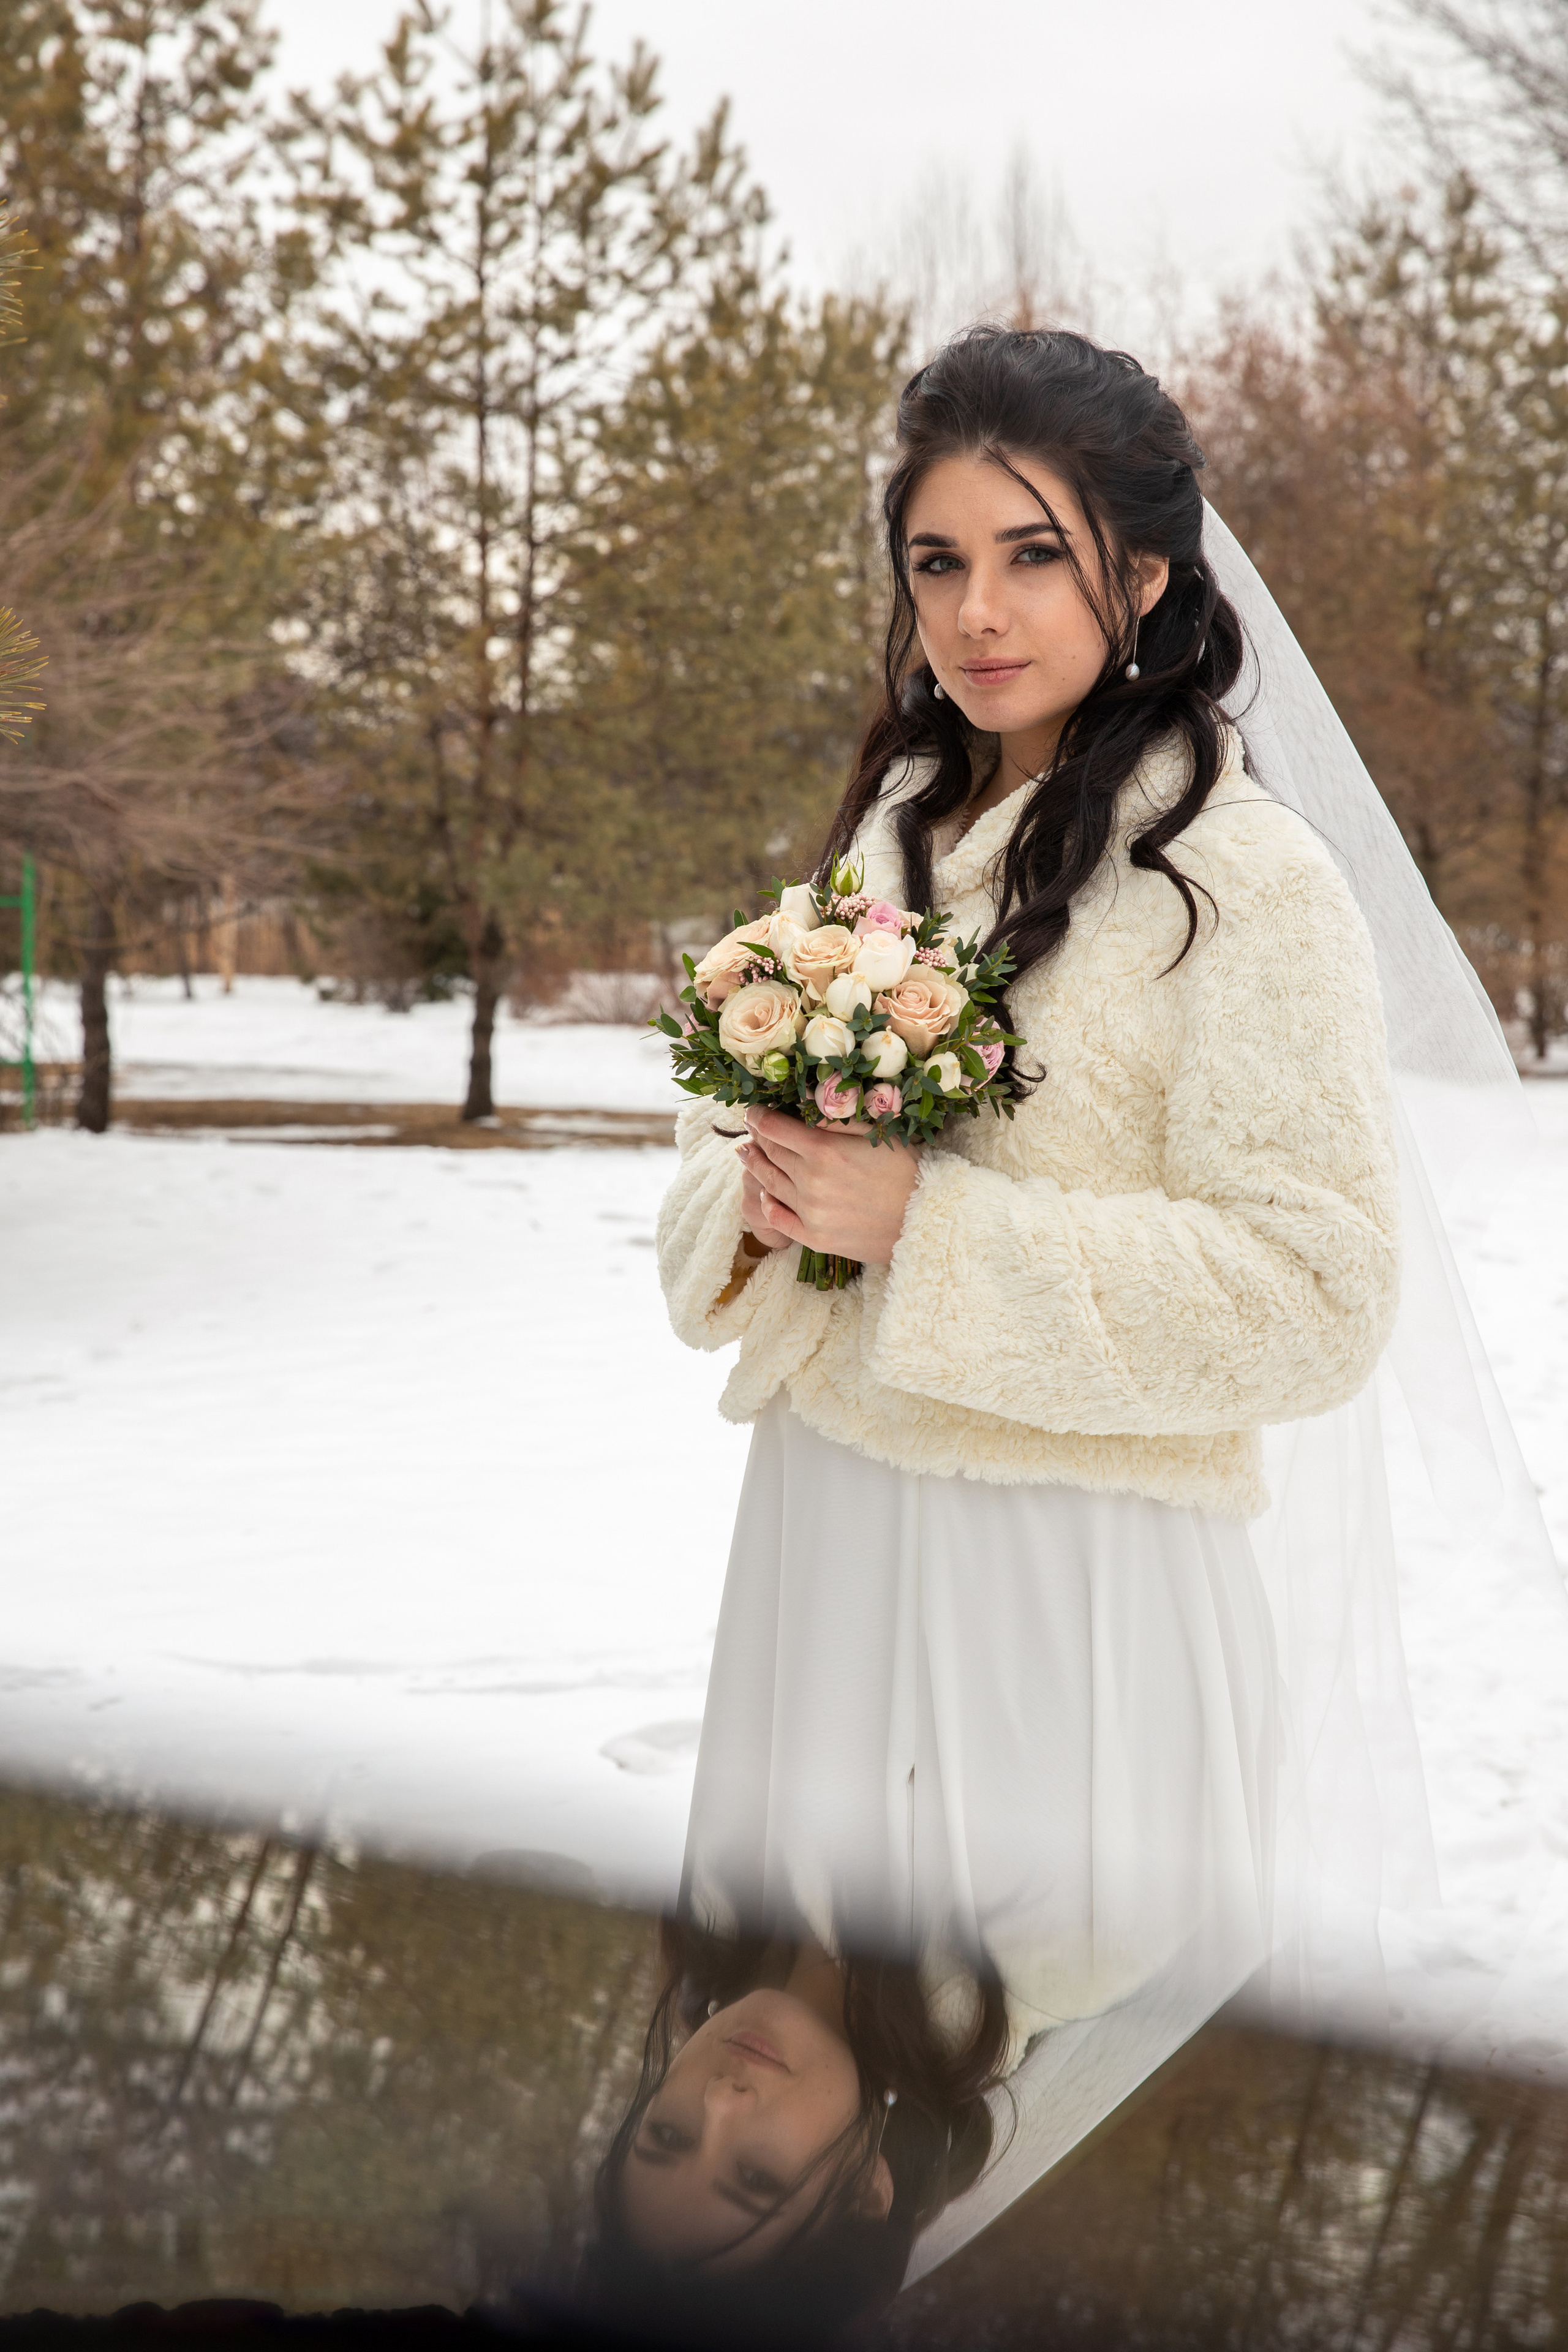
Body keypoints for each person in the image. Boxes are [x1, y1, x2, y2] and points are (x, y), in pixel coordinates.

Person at [656, 325, 1396, 2070]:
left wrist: (929, 1227)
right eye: (938, 562)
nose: (977, 612)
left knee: (1007, 2079)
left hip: (1064, 1581)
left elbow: (1317, 1294)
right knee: (786, 2040)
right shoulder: (893, 836)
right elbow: (730, 1160)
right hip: (825, 1548)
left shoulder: (1241, 878)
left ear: (1143, 574)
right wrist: (765, 1200)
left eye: (1033, 555)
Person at [583, 1918, 1009, 2342]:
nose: (720, 2101)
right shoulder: (1012, 1943)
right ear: (864, 2193)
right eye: (755, 2178)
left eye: (670, 2135)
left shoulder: (707, 1915)